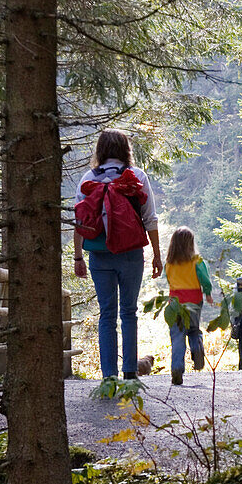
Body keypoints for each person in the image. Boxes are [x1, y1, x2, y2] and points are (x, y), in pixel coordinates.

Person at [73, 129, 162, 380]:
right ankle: (130, 371)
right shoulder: (136, 176)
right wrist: (156, 255)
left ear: (100, 150)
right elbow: (150, 219)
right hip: (131, 253)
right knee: (129, 312)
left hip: (99, 255)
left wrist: (78, 257)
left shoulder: (87, 179)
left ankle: (108, 375)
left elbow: (79, 221)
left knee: (107, 314)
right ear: (126, 150)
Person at [163, 227, 214, 385]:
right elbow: (204, 278)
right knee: (193, 329)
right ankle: (197, 348)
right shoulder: (196, 260)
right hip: (193, 299)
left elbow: (169, 280)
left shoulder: (169, 262)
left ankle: (177, 368)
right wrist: (208, 292)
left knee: (177, 335)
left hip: (175, 302)